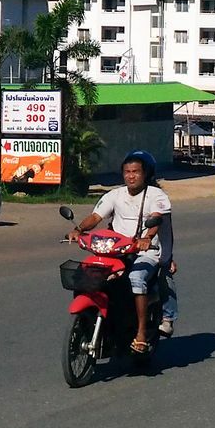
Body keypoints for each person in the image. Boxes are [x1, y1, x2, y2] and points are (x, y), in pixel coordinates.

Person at [66, 150, 173, 353]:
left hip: (145, 251)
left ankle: (140, 333)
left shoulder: (156, 195)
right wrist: (79, 230)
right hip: (115, 250)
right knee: (87, 274)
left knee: (136, 278)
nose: (131, 176)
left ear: (146, 174)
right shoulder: (115, 195)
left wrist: (146, 239)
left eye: (136, 171)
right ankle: (89, 323)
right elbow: (96, 217)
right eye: (127, 172)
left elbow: (156, 219)